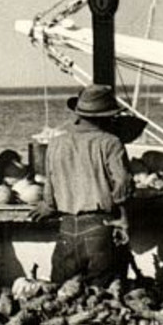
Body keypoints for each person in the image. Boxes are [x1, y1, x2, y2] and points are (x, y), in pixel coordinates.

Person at [30, 84, 140, 286]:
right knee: (104, 299)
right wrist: (124, 219)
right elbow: (123, 182)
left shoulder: (56, 143)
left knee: (62, 298)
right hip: (100, 229)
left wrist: (48, 205)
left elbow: (50, 187)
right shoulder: (110, 142)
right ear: (107, 117)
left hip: (67, 230)